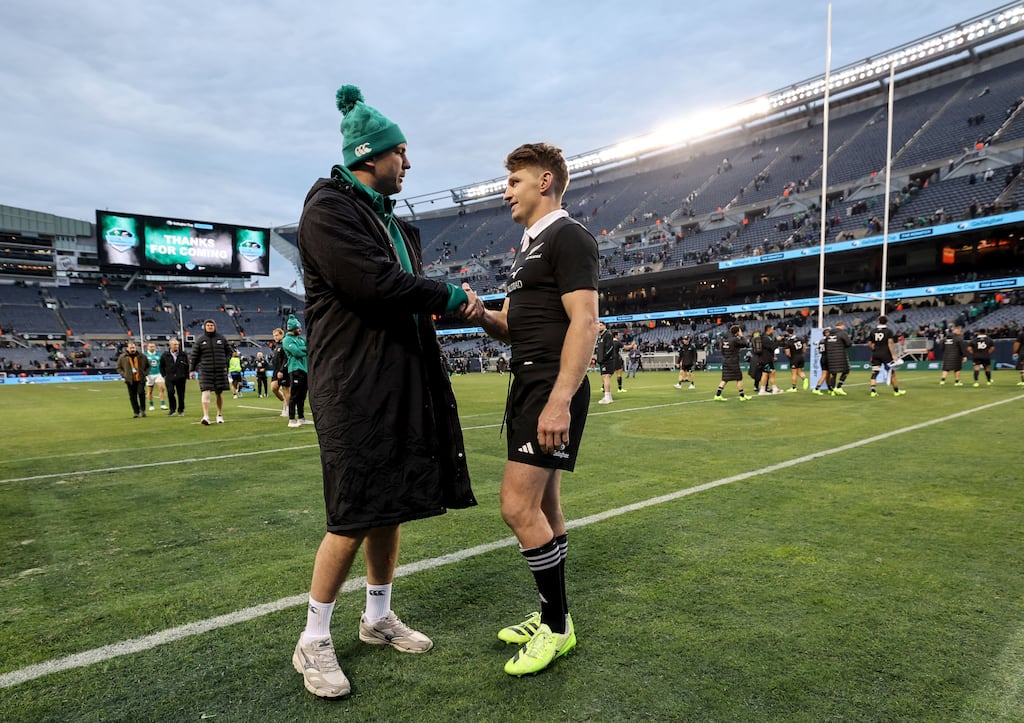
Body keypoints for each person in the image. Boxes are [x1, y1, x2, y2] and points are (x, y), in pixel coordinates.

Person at [291, 84, 476, 699]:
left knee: (390, 500)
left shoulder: (385, 218)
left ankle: (376, 617)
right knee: (354, 508)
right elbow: (374, 285)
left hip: (398, 374)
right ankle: (313, 637)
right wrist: (449, 295)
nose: (409, 163)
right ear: (373, 155)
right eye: (402, 152)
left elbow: (402, 293)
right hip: (352, 382)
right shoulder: (329, 212)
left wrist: (447, 307)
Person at [462, 141, 599, 677]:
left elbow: (584, 323)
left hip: (550, 386)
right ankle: (551, 616)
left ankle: (558, 626)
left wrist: (560, 399)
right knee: (544, 509)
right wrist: (480, 315)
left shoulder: (568, 236)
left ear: (545, 181)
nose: (506, 192)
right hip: (529, 382)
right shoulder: (527, 246)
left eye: (514, 182)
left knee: (517, 508)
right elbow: (512, 326)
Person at [190, 318, 232, 425]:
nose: (210, 327)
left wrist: (224, 362)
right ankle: (206, 416)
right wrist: (192, 369)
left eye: (211, 325)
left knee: (219, 393)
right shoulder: (200, 340)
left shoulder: (221, 338)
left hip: (219, 370)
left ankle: (219, 415)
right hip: (205, 370)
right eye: (208, 325)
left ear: (214, 326)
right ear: (205, 327)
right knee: (205, 392)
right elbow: (194, 356)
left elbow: (229, 352)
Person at [867, 315, 907, 397]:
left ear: (878, 321)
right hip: (886, 354)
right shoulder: (888, 331)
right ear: (886, 322)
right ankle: (896, 391)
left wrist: (873, 350)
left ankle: (873, 391)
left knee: (874, 372)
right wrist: (893, 355)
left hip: (876, 354)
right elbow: (890, 343)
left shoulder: (873, 331)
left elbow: (869, 344)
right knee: (891, 372)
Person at [282, 315, 310, 427]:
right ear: (293, 328)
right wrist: (304, 349)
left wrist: (302, 349)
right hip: (295, 369)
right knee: (294, 395)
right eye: (298, 328)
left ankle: (301, 418)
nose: (300, 329)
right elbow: (296, 352)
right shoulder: (287, 340)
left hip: (305, 369)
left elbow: (309, 347)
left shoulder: (299, 339)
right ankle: (292, 419)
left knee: (302, 395)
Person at [713, 325, 750, 401]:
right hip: (733, 361)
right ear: (737, 332)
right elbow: (745, 344)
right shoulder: (735, 340)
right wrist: (742, 336)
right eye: (739, 331)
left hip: (726, 361)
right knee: (739, 378)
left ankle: (717, 395)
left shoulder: (724, 340)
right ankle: (742, 396)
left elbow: (722, 351)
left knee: (725, 379)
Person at [116, 341, 150, 417]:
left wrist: (145, 373)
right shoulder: (123, 357)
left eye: (133, 347)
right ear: (127, 348)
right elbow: (118, 367)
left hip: (140, 378)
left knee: (141, 393)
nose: (132, 349)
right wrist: (124, 374)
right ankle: (136, 412)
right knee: (132, 396)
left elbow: (148, 366)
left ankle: (143, 410)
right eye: (131, 347)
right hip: (130, 380)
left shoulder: (142, 356)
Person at [159, 338, 190, 416]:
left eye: (177, 344)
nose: (176, 346)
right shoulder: (165, 355)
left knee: (181, 394)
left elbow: (187, 366)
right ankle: (172, 409)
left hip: (181, 377)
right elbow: (161, 366)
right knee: (170, 392)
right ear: (170, 345)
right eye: (174, 344)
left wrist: (186, 376)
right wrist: (164, 375)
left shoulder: (183, 354)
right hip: (169, 377)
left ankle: (181, 410)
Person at [823, 321, 852, 395]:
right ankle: (839, 387)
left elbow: (825, 345)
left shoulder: (828, 335)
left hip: (830, 357)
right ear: (841, 325)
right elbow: (848, 343)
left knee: (833, 374)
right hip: (841, 356)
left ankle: (832, 391)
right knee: (847, 370)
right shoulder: (842, 333)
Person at [270, 327, 291, 417]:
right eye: (274, 336)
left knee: (286, 389)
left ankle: (288, 409)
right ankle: (284, 402)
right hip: (276, 370)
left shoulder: (284, 344)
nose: (275, 337)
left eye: (277, 335)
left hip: (283, 371)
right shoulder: (276, 346)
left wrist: (282, 370)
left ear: (282, 335)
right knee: (274, 388)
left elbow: (286, 359)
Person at [756, 323, 781, 395]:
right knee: (768, 373)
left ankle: (772, 388)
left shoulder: (767, 337)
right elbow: (773, 347)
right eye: (772, 329)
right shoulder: (765, 338)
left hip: (767, 358)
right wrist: (777, 340)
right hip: (766, 359)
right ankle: (765, 390)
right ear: (769, 329)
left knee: (769, 372)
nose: (773, 330)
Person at [596, 321, 617, 404]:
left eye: (601, 325)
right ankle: (607, 396)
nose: (599, 327)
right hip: (602, 361)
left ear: (604, 326)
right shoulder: (600, 337)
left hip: (607, 360)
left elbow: (610, 348)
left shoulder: (607, 335)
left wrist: (604, 358)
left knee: (606, 377)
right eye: (598, 325)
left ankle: (608, 398)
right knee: (604, 378)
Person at [144, 342, 167, 411]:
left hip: (158, 373)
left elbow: (162, 364)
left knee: (162, 388)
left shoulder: (159, 355)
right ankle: (151, 405)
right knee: (150, 390)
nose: (152, 348)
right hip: (149, 375)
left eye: (153, 346)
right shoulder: (145, 355)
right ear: (147, 347)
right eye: (150, 346)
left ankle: (163, 404)